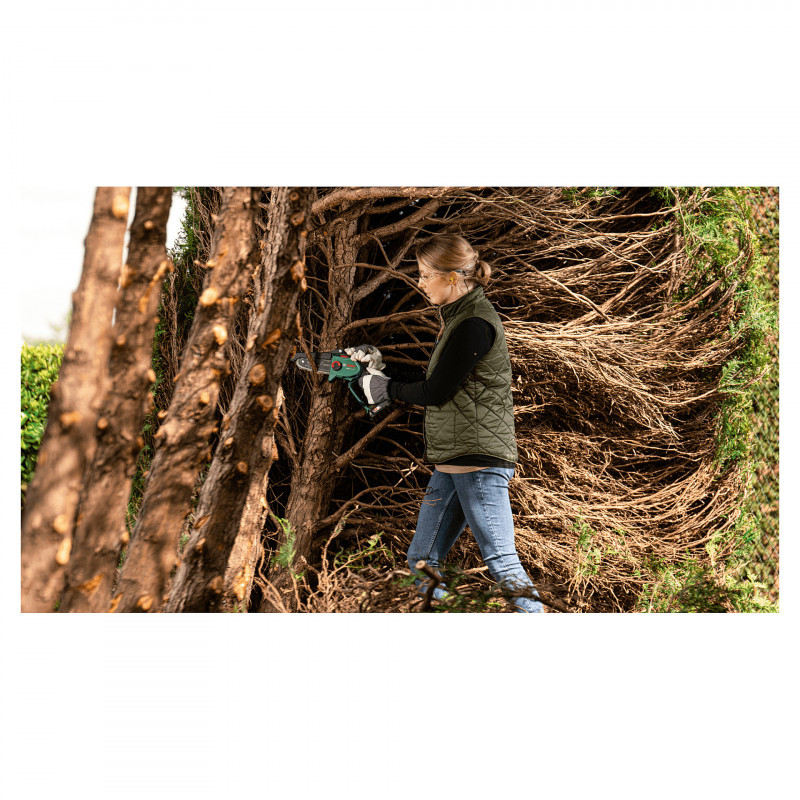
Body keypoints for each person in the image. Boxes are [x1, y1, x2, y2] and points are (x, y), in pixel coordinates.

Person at [348, 233, 543, 613]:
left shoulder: (474, 324)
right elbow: (442, 381)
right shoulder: (459, 321)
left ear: (452, 277)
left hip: (477, 462)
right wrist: (378, 369)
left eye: (425, 275)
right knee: (422, 561)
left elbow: (435, 391)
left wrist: (386, 388)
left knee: (501, 560)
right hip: (455, 461)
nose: (420, 283)